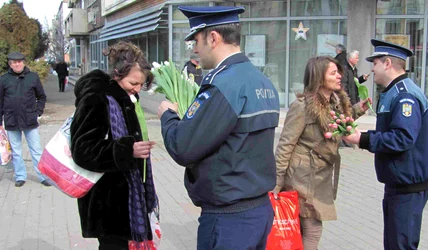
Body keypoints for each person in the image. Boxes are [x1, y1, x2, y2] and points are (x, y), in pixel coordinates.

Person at [157, 6, 280, 249]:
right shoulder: (262, 81)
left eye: (196, 40)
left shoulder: (223, 85)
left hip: (229, 219)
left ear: (213, 38)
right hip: (258, 209)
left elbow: (183, 147)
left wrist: (168, 116)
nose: (194, 49)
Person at [343, 39, 428, 250]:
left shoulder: (404, 95)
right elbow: (391, 133)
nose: (372, 69)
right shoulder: (394, 91)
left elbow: (402, 138)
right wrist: (364, 136)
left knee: (400, 245)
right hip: (400, 182)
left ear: (387, 63)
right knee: (395, 243)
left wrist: (362, 139)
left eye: (374, 63)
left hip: (408, 185)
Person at [273, 56, 371, 250]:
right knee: (313, 228)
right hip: (302, 177)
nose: (339, 76)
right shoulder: (302, 107)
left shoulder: (334, 101)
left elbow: (338, 121)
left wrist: (358, 110)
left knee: (303, 230)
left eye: (338, 72)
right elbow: (285, 146)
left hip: (319, 175)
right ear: (319, 77)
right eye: (333, 73)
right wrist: (276, 185)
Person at [70, 41, 158, 250]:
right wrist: (128, 150)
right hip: (108, 201)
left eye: (141, 85)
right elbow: (83, 150)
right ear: (117, 74)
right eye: (133, 83)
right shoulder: (97, 98)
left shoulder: (125, 98)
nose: (137, 90)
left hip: (125, 196)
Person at [0, 52, 51, 187]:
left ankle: (42, 176)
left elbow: (42, 97)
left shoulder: (32, 77)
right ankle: (20, 176)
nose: (17, 64)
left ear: (24, 62)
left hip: (30, 119)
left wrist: (38, 112)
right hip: (11, 120)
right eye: (14, 62)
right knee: (16, 151)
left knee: (36, 150)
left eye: (20, 61)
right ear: (10, 64)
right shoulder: (4, 79)